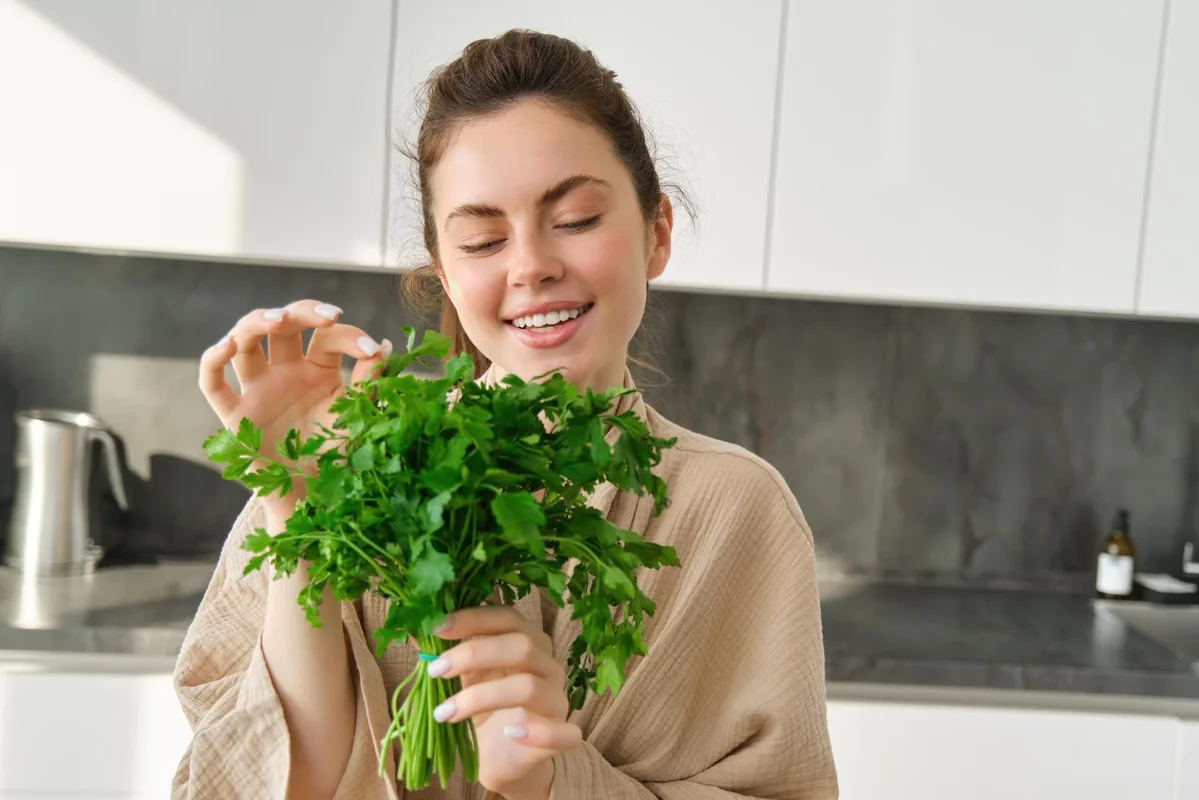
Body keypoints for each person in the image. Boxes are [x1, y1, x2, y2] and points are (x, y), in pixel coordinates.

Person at [174, 29, 838, 800]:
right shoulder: (353, 468)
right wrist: (296, 504)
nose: (530, 265)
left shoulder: (739, 512)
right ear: (445, 275)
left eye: (578, 219)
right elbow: (290, 780)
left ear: (656, 233)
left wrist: (548, 782)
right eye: (484, 239)